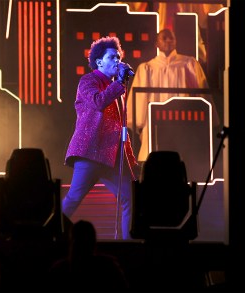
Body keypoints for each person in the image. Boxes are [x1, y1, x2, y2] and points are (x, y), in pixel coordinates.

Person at [62, 36, 139, 240]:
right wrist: (120, 83)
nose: (118, 61)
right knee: (74, 198)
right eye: (113, 57)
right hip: (89, 152)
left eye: (119, 57)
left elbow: (120, 127)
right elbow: (98, 102)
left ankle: (128, 245)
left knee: (128, 198)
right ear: (99, 62)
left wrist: (130, 159)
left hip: (110, 157)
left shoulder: (117, 89)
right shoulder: (88, 81)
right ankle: (51, 233)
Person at [127, 28, 220, 162]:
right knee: (152, 157)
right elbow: (140, 101)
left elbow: (201, 94)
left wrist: (206, 117)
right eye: (164, 38)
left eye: (172, 38)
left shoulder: (189, 64)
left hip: (183, 121)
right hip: (155, 122)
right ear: (157, 43)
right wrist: (139, 123)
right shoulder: (147, 68)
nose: (169, 40)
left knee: (184, 159)